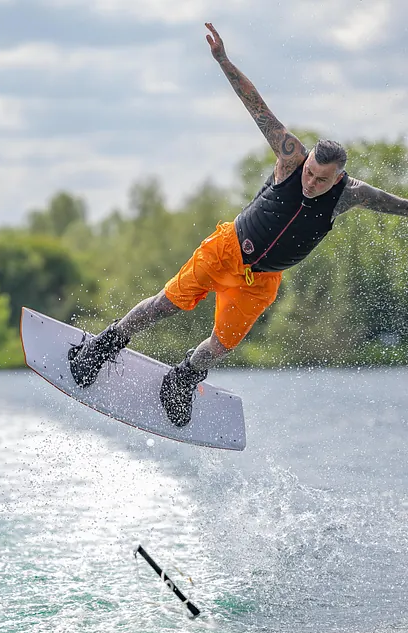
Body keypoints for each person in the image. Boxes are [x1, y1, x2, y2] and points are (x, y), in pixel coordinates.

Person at [68, 23, 408, 428]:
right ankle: (105, 345)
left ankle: (182, 378)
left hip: (260, 281)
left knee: (222, 344)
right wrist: (224, 60)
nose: (310, 181)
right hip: (226, 249)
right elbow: (256, 106)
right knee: (165, 304)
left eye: (321, 179)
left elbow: (399, 206)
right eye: (310, 172)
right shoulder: (290, 157)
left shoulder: (351, 194)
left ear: (338, 178)